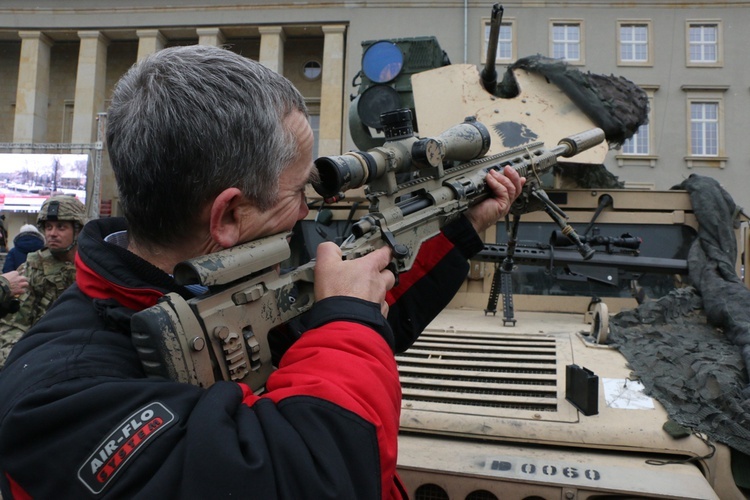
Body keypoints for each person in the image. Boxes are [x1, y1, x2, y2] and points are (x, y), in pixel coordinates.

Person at [0, 45, 524, 499]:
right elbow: (317, 475)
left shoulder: (237, 283)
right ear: (229, 215)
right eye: (297, 192)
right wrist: (347, 324)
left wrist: (465, 227)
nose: (307, 211)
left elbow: (367, 326)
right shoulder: (55, 400)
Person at [0, 195, 86, 365]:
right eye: (48, 227)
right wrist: (18, 362)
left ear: (77, 231)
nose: (52, 234)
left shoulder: (94, 266)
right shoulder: (32, 268)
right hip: (40, 356)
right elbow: (14, 325)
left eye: (61, 227)